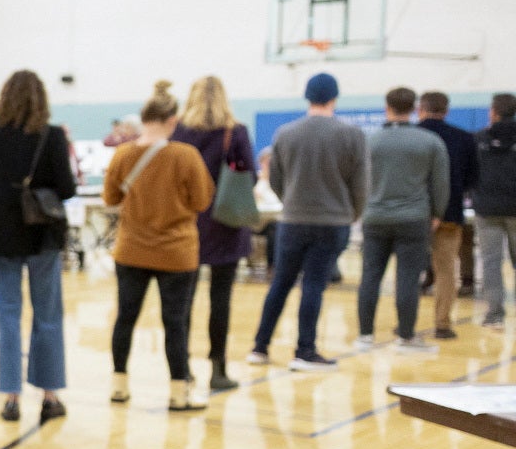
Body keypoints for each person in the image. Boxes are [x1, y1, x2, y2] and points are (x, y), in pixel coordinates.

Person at [105, 81, 215, 410]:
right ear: (172, 120)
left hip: (131, 249)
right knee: (175, 323)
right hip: (176, 252)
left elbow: (111, 198)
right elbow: (201, 200)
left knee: (125, 317)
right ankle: (179, 393)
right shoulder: (186, 156)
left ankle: (119, 385)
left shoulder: (123, 155)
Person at [0, 70, 71, 425]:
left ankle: (11, 397)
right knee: (47, 316)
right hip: (41, 234)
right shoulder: (53, 136)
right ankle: (49, 395)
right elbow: (68, 188)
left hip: (0, 235)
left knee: (8, 317)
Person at [250, 72, 367, 370]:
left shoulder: (285, 133)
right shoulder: (351, 134)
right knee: (313, 285)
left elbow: (275, 179)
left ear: (308, 97)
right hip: (332, 221)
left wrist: (291, 201)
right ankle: (305, 350)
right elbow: (360, 185)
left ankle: (260, 347)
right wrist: (351, 214)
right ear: (334, 98)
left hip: (292, 220)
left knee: (280, 283)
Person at [171, 76, 255, 391]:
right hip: (225, 222)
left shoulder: (179, 132)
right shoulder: (236, 132)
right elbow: (250, 177)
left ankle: (183, 367)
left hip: (187, 222)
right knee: (221, 300)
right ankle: (218, 369)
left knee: (184, 300)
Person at [357, 86, 447, 350]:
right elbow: (440, 183)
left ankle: (365, 335)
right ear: (415, 108)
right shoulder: (430, 141)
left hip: (375, 217)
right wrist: (437, 213)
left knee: (370, 276)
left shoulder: (369, 141)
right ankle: (405, 336)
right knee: (408, 278)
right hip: (414, 217)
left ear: (387, 107)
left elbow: (358, 181)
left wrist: (364, 209)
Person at [417, 91, 478, 339]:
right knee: (446, 272)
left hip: (415, 212)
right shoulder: (464, 138)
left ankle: (406, 325)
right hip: (450, 212)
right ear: (446, 110)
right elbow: (473, 178)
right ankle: (442, 324)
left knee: (408, 270)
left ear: (420, 109)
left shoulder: (411, 136)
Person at [476, 93, 516, 330]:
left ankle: (494, 314)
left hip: (486, 208)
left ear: (493, 111)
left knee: (491, 262)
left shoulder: (480, 138)